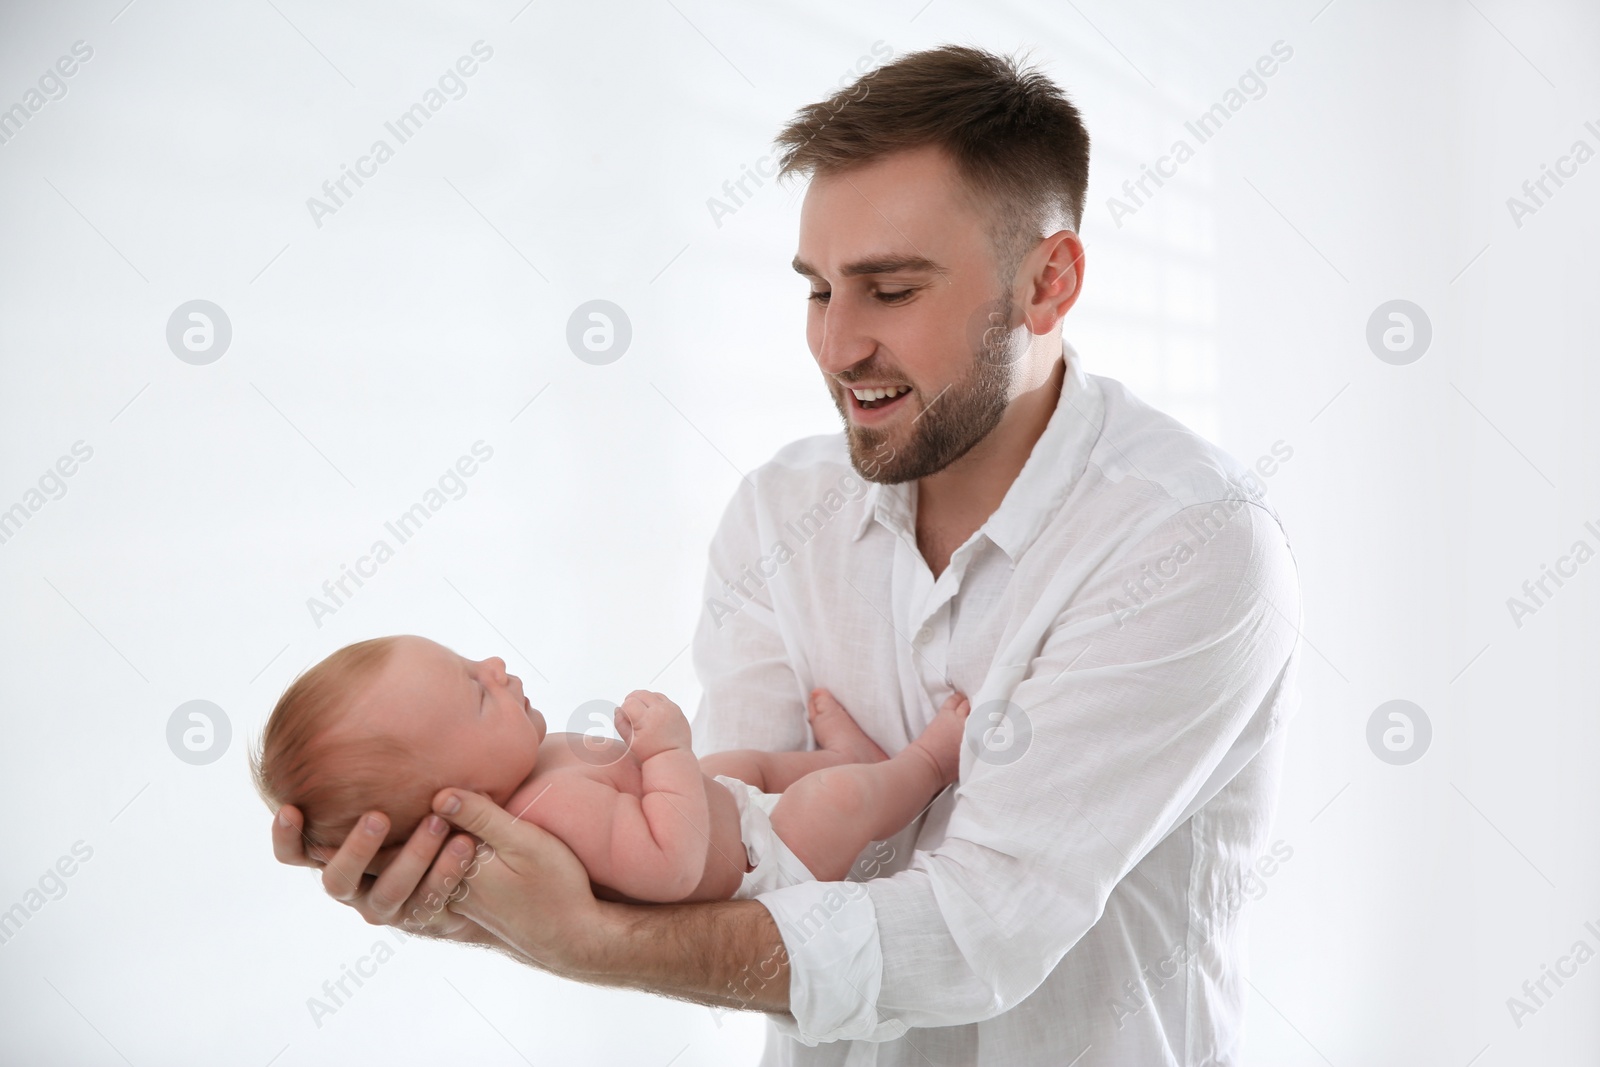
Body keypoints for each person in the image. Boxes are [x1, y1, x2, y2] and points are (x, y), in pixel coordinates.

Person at [271, 43, 1302, 1065]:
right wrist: (473, 889)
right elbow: (742, 877)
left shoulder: (1185, 541)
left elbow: (980, 933)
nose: (835, 345)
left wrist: (584, 938)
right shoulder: (778, 515)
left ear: (1048, 282)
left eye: (890, 290)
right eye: (817, 290)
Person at [250, 634, 970, 904]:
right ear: (457, 795)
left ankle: (841, 757)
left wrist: (677, 769)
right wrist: (663, 752)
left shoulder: (529, 765)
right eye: (476, 689)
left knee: (743, 762)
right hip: (765, 861)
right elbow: (672, 864)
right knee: (836, 803)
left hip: (724, 806)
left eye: (472, 660)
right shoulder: (548, 811)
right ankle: (926, 763)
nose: (496, 666)